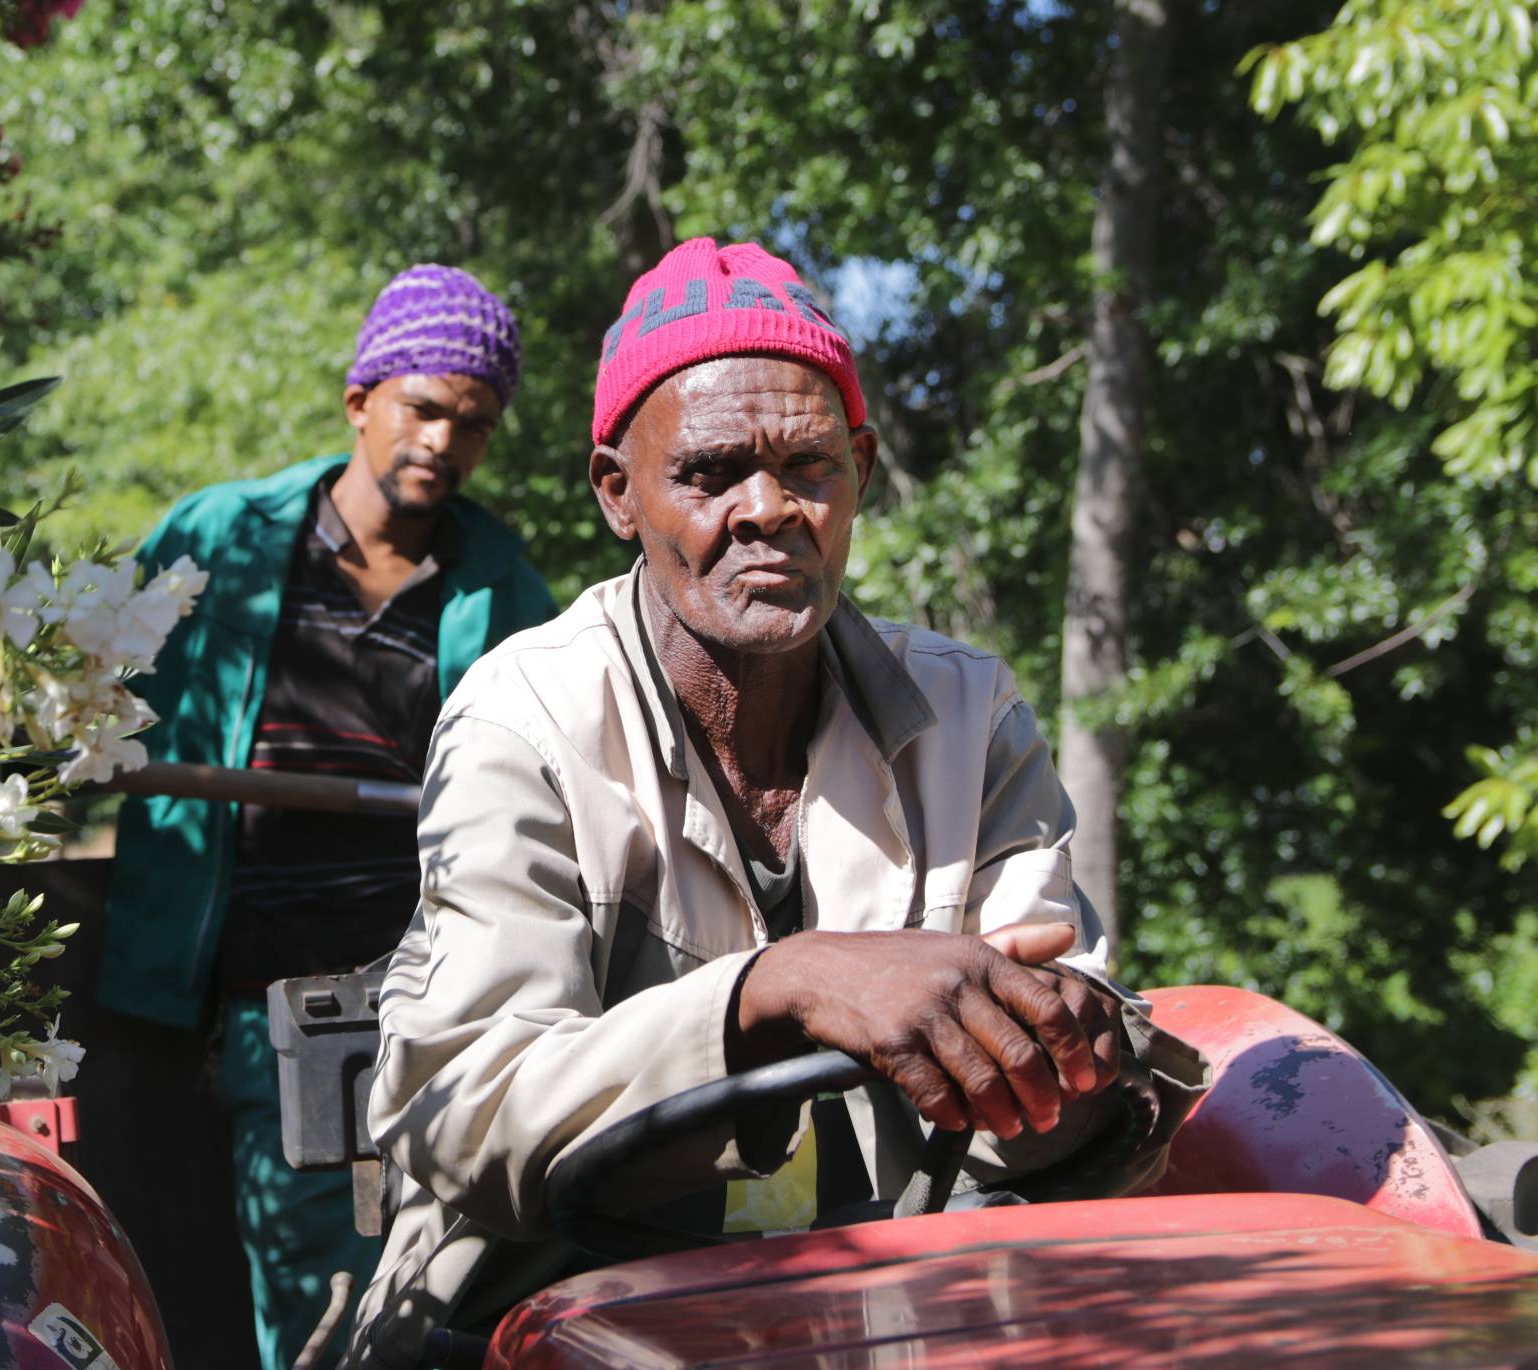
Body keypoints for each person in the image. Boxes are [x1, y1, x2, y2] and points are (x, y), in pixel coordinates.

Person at [346, 239, 1204, 1367]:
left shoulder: (967, 712)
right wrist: (780, 986)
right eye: (707, 473)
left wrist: (1068, 1056)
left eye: (808, 466)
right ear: (618, 492)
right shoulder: (524, 717)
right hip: (542, 1305)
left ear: (859, 466)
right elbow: (466, 1110)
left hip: (889, 1308)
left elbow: (1057, 1087)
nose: (768, 510)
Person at [98, 264, 556, 1370]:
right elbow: (97, 703)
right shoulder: (220, 537)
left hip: (446, 1002)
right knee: (319, 1318)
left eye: (474, 422)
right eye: (424, 406)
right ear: (360, 401)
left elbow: (548, 773)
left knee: (464, 1302)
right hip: (285, 1009)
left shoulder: (493, 580)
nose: (445, 440)